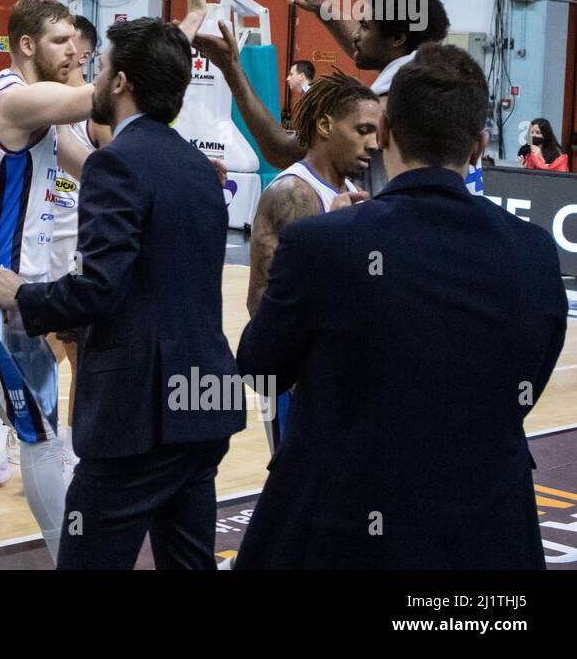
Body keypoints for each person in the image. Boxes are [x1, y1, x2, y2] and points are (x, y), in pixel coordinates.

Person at [0, 0, 209, 570]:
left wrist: (172, 173)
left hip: (22, 285)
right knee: (39, 432)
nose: (76, 51)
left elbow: (96, 161)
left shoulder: (42, 114)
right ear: (24, 45)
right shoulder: (11, 97)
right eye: (62, 40)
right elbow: (113, 92)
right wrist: (182, 29)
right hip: (3, 292)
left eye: (78, 41)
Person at [236, 44, 567, 569]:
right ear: (480, 146)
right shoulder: (533, 254)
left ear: (387, 131)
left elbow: (259, 367)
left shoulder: (323, 243)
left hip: (339, 530)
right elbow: (529, 376)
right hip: (485, 534)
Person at [0, 14, 246, 570]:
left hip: (140, 415)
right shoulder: (201, 169)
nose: (95, 79)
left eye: (100, 67)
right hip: (204, 402)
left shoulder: (117, 165)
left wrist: (25, 297)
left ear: (122, 82)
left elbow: (101, 288)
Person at [198, 0, 450, 195]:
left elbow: (281, 150)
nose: (356, 35)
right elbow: (366, 47)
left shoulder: (382, 108)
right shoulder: (437, 81)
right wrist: (320, 5)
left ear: (397, 39)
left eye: (365, 26)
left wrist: (230, 66)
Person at [246, 73, 380, 452]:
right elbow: (267, 302)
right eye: (362, 130)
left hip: (339, 372)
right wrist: (331, 231)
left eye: (376, 132)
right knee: (296, 490)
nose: (373, 144)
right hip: (296, 380)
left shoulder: (351, 190)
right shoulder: (293, 193)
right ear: (325, 125)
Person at [43, 14, 99, 479]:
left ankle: (70, 447)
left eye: (68, 43)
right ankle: (6, 442)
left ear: (84, 52)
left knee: (75, 350)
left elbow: (116, 167)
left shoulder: (96, 112)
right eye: (54, 41)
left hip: (77, 243)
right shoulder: (37, 98)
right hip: (36, 239)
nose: (62, 51)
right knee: (29, 346)